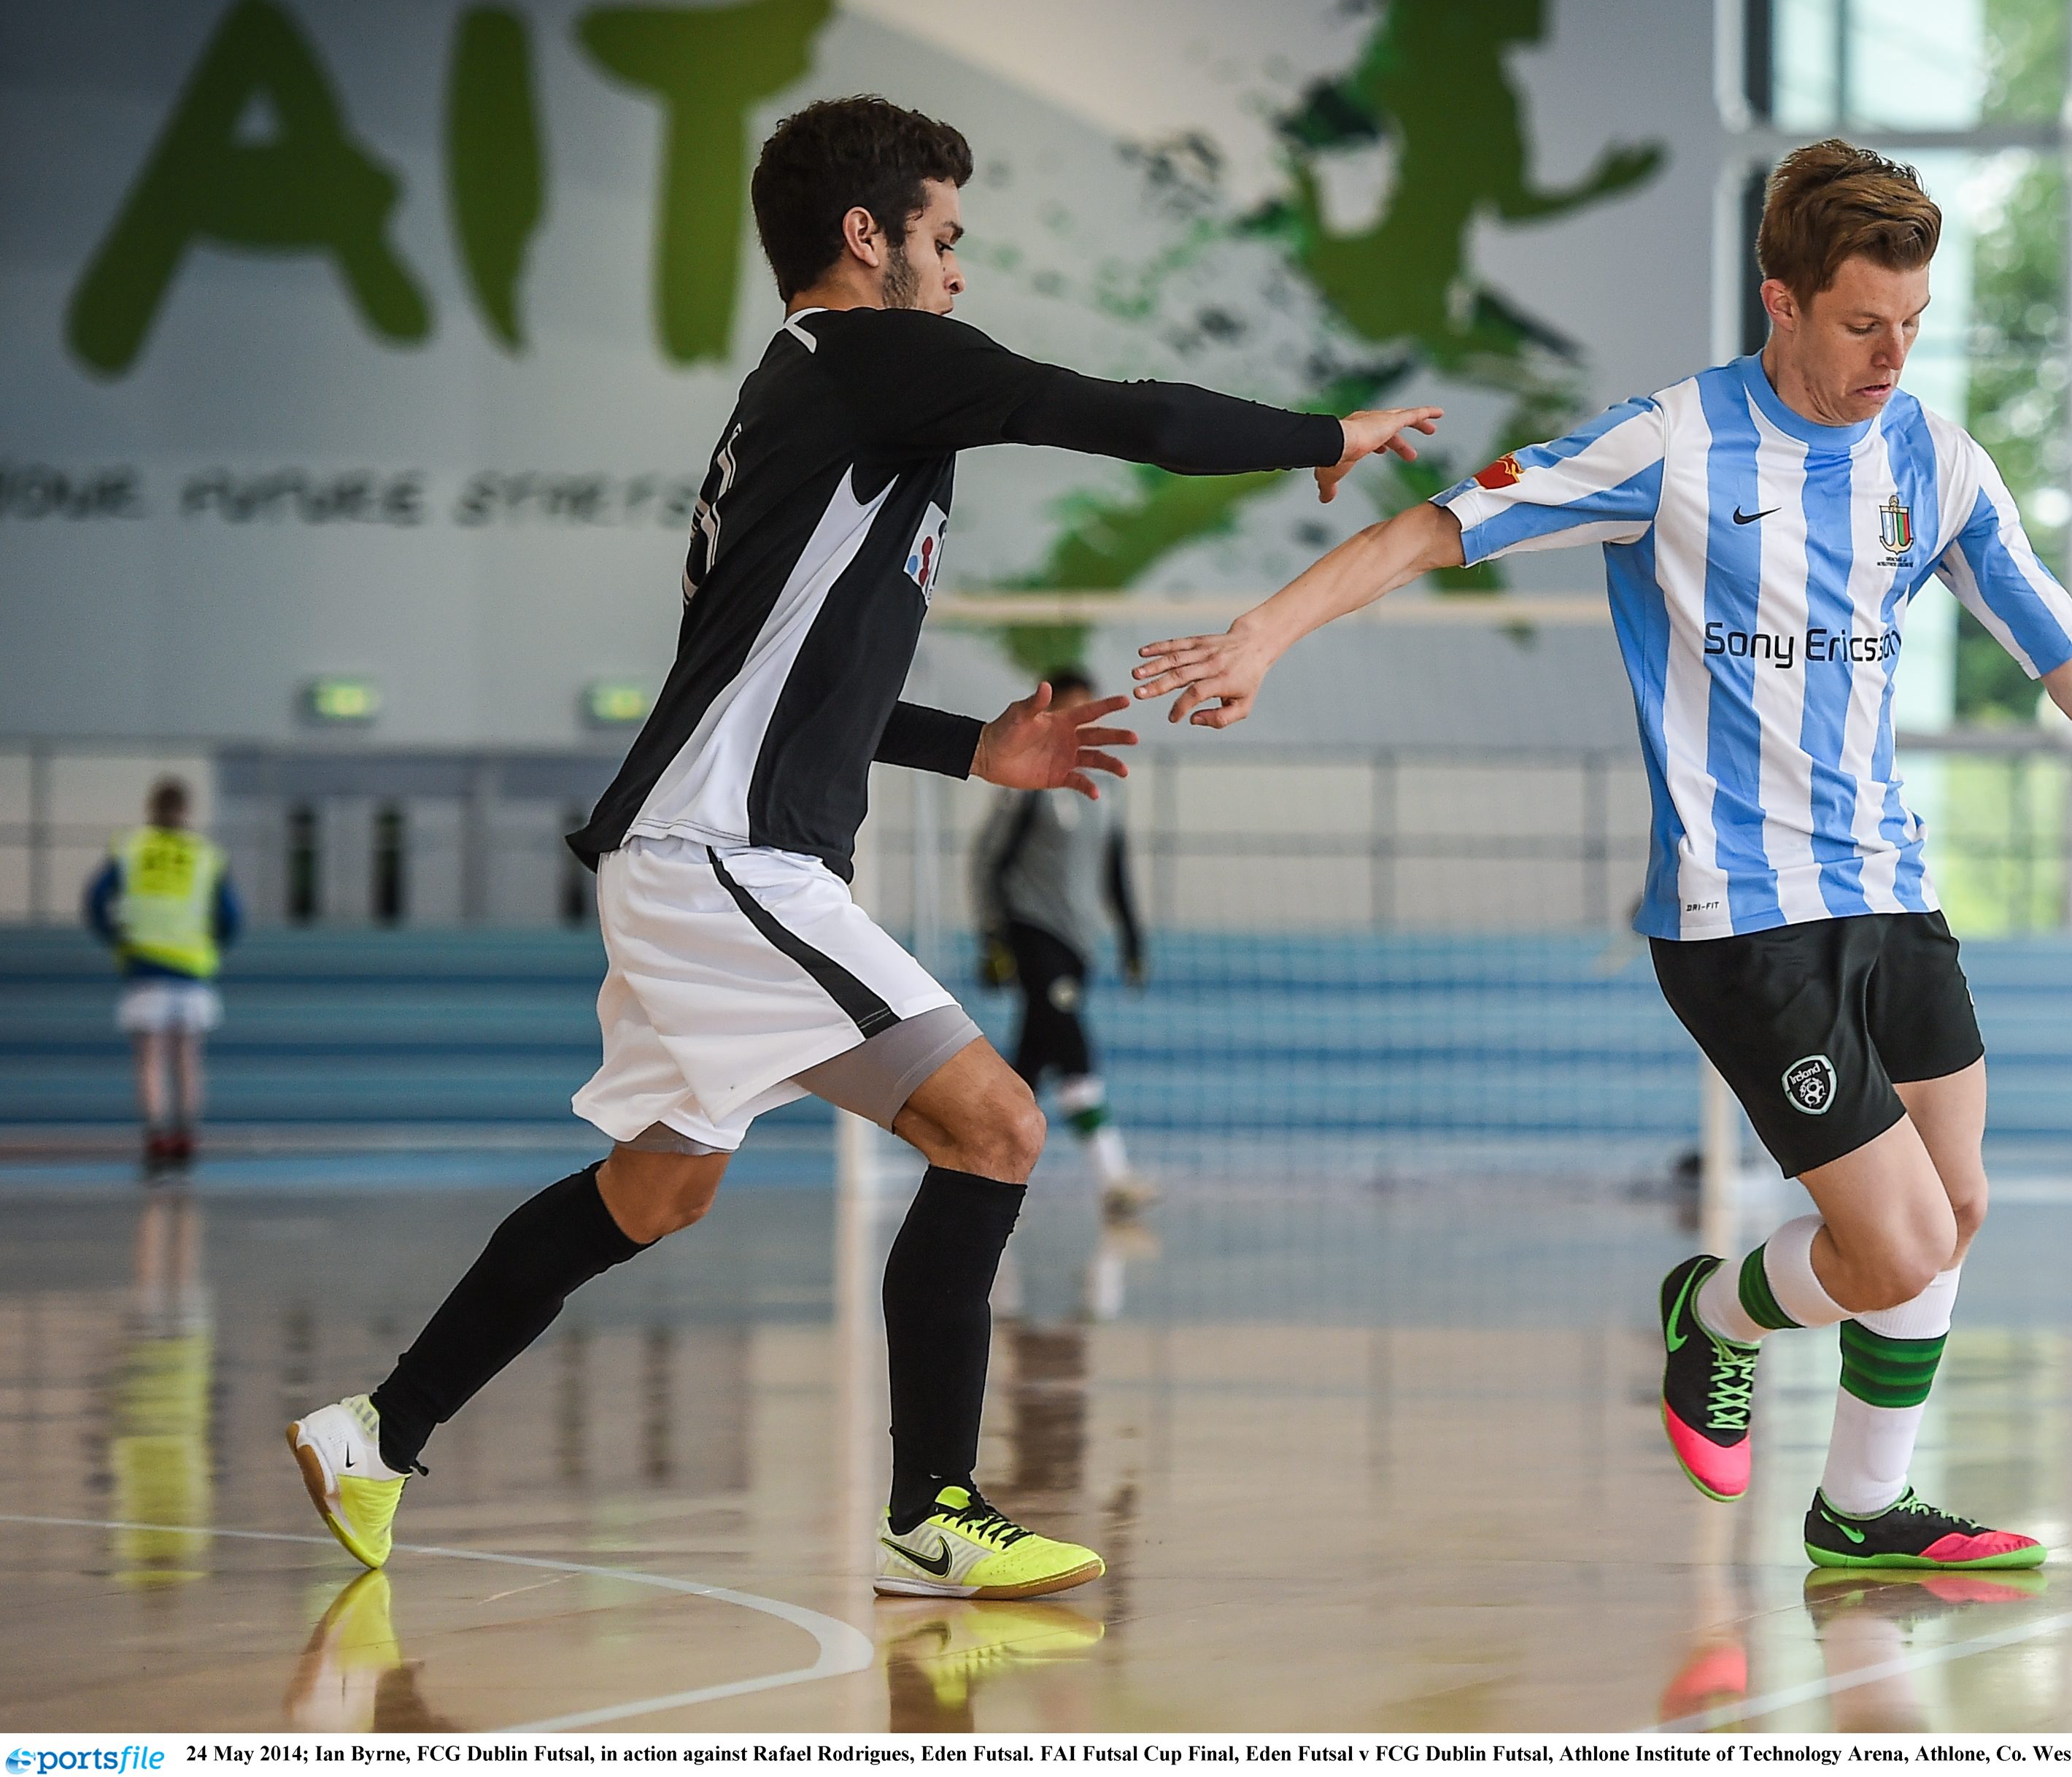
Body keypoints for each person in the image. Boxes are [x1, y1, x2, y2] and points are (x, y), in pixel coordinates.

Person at [1130, 140, 2072, 1570]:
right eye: (1862, 325)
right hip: (1739, 918)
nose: (1892, 358)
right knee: (1897, 1243)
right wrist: (1262, 636)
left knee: (1954, 1209)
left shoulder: (1936, 463)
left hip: (1890, 890)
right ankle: (1713, 1311)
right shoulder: (1667, 444)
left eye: (1913, 324)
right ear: (1781, 301)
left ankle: (1863, 1506)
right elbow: (1433, 527)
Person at [282, 94, 1443, 1600]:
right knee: (996, 1126)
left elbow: (786, 676)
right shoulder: (865, 358)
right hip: (726, 855)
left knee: (655, 1190)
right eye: (943, 236)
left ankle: (376, 1432)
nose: (958, 268)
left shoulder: (806, 397)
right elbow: (1135, 418)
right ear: (864, 234)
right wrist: (1327, 435)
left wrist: (976, 748)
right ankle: (932, 1511)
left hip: (699, 852)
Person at [971, 666, 1154, 1216]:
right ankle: (1114, 1180)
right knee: (1073, 1049)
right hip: (1034, 931)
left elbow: (1115, 867)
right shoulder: (1029, 784)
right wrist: (993, 936)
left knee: (1030, 1061)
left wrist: (1133, 939)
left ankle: (979, 1168)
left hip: (1079, 941)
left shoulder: (1108, 787)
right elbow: (990, 861)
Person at [85, 778, 241, 1170]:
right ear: (186, 811)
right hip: (191, 969)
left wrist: (114, 936)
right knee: (188, 1059)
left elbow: (96, 900)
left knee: (150, 1061)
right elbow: (232, 916)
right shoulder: (205, 855)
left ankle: (156, 1137)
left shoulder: (130, 848)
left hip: (144, 967)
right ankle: (186, 1136)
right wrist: (214, 944)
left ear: (150, 808)